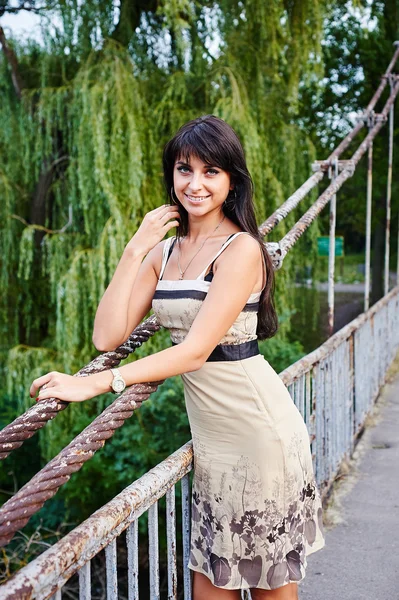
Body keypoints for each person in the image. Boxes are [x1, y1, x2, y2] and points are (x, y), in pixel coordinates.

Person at [30, 115, 325, 599]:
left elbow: (193, 352)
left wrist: (96, 384)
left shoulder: (242, 249)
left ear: (231, 181)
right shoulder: (164, 253)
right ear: (171, 174)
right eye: (185, 169)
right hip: (213, 445)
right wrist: (135, 249)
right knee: (210, 588)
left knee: (270, 591)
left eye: (211, 172)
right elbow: (108, 335)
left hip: (259, 437)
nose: (195, 183)